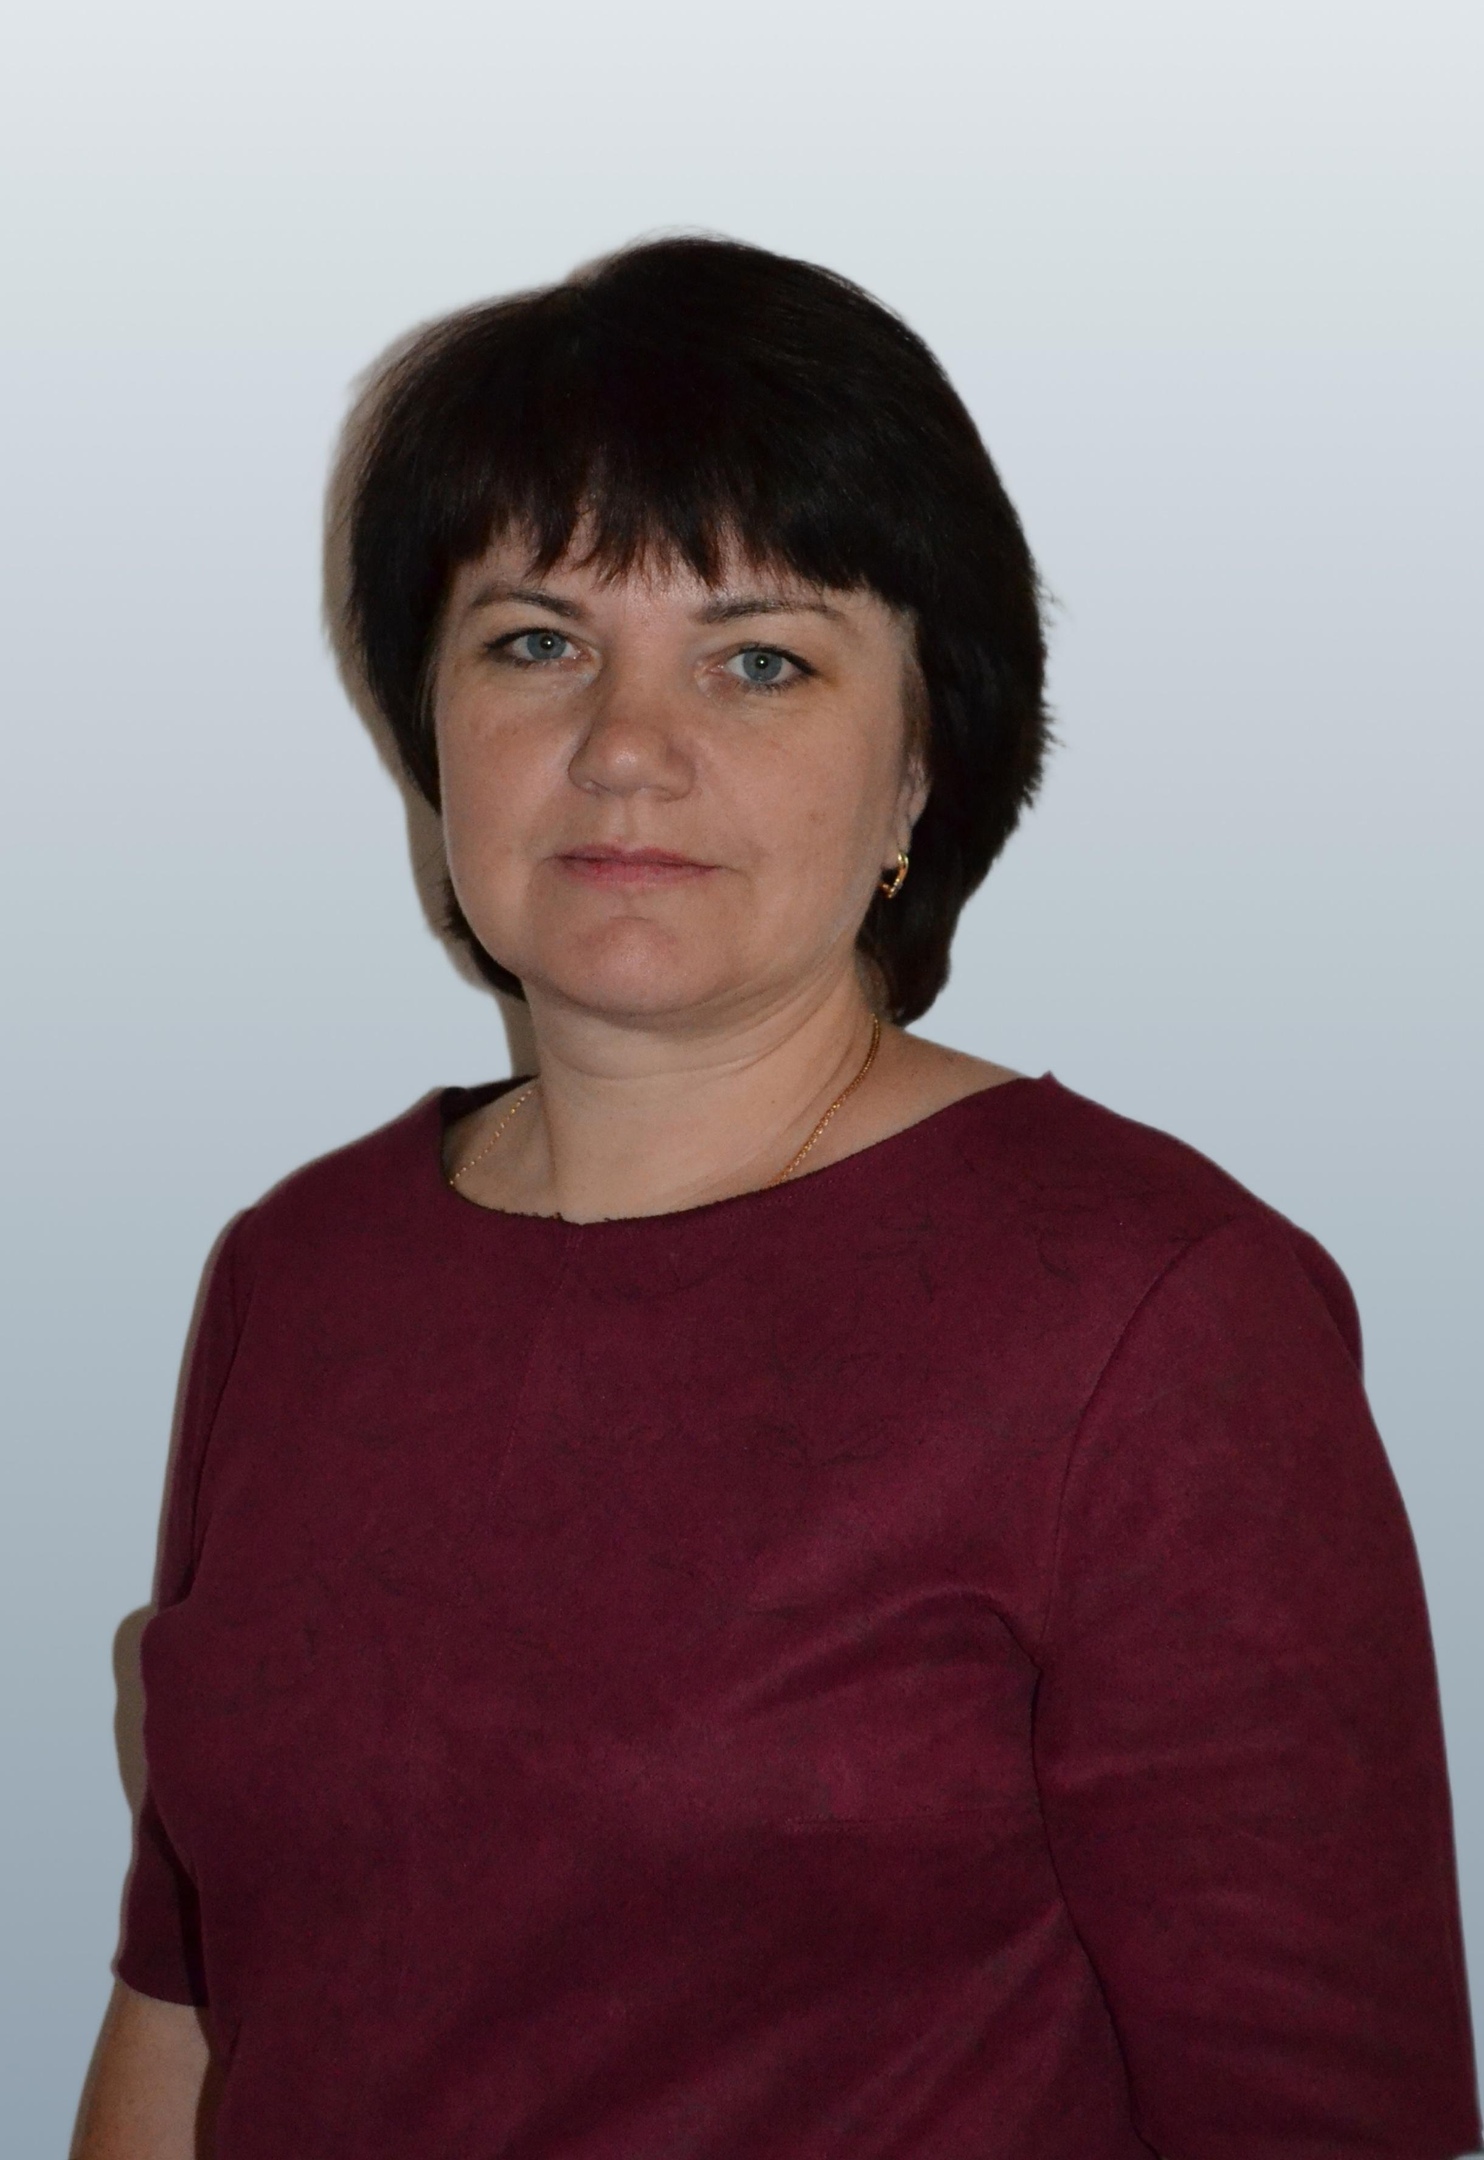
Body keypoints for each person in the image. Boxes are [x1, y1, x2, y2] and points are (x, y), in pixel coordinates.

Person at [75, 236, 1479, 2160]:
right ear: (428, 727)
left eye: (761, 660)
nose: (625, 750)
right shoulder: (299, 1272)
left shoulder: (1155, 1316)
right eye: (535, 642)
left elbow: (1326, 2122)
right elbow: (183, 2007)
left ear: (918, 771)